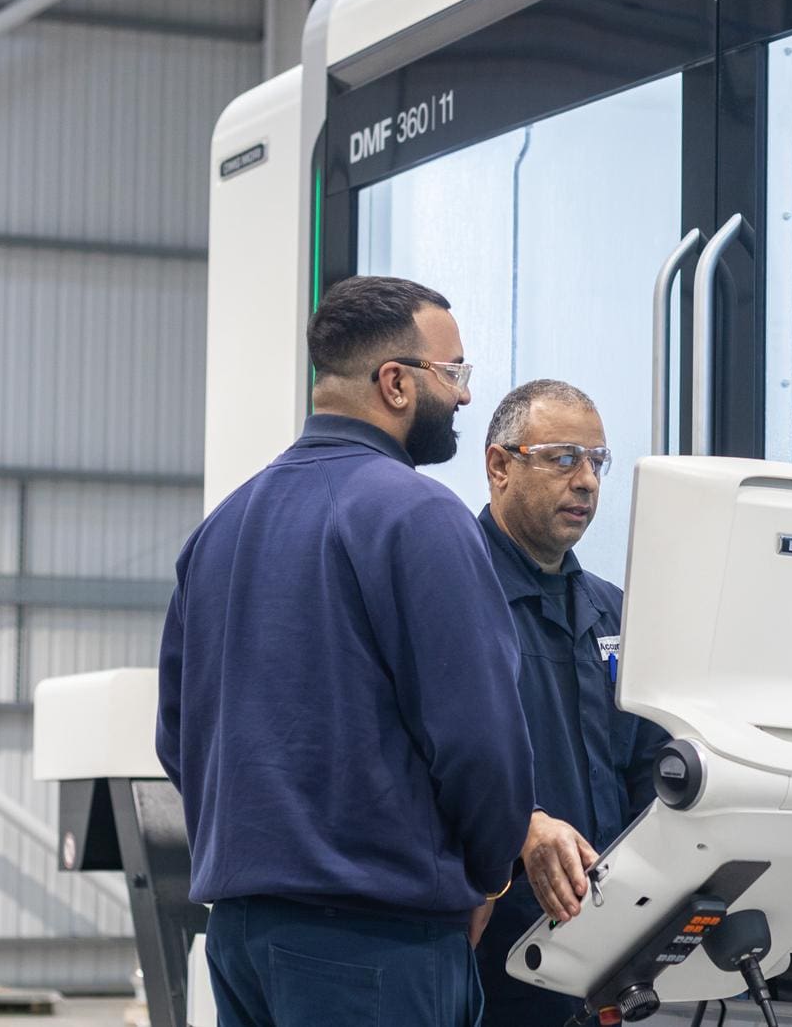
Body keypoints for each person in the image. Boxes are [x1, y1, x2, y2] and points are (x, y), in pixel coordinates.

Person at [156, 275, 534, 1027]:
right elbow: (479, 739)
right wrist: (489, 874)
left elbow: (177, 736)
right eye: (453, 372)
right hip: (374, 946)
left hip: (241, 939)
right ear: (395, 382)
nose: (464, 396)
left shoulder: (220, 528)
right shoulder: (419, 516)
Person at [471, 379, 669, 1026]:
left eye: (596, 462)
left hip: (603, 952)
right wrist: (518, 827)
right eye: (562, 458)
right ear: (500, 466)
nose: (585, 481)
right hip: (487, 954)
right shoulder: (455, 593)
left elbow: (650, 773)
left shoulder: (613, 611)